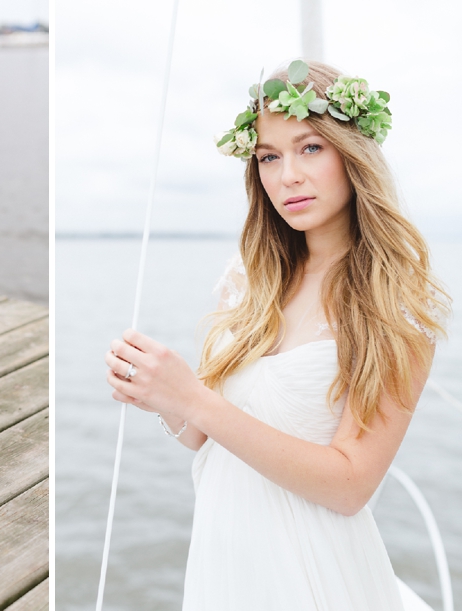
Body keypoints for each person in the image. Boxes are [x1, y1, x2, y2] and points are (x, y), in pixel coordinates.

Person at [104, 60, 451, 610]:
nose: (286, 175)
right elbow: (201, 433)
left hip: (317, 577)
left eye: (310, 148)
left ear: (353, 154)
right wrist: (161, 396)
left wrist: (192, 397)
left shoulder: (395, 305)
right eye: (269, 157)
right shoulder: (248, 279)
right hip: (223, 561)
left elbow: (350, 485)